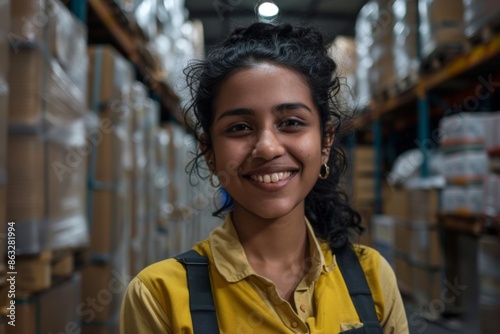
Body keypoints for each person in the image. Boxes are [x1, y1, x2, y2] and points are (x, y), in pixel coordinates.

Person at [120, 22, 409, 333]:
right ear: (209, 152)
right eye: (240, 127)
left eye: (291, 122)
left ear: (325, 142)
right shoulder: (158, 296)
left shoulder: (372, 277)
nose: (268, 148)